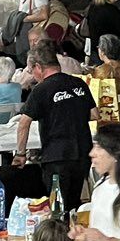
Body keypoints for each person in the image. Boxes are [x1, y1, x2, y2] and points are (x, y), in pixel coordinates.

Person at [13, 41, 94, 212]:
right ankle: (72, 234)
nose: (33, 75)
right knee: (73, 203)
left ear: (38, 67)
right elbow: (95, 114)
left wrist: (21, 154)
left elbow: (23, 124)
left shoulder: (41, 90)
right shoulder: (79, 84)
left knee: (57, 206)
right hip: (82, 152)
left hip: (57, 155)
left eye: (31, 71)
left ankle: (59, 236)